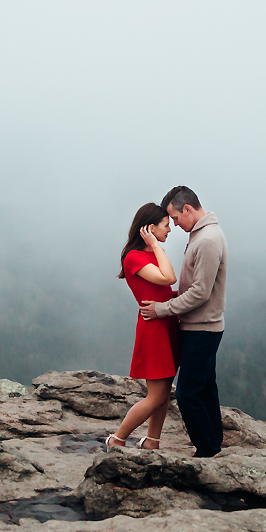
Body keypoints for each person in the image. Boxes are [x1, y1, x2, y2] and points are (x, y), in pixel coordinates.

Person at [139, 186, 227, 458]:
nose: (175, 225)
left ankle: (207, 450)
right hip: (201, 326)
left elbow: (201, 293)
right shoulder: (201, 235)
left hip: (202, 328)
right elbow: (198, 286)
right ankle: (213, 442)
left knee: (188, 395)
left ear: (188, 209)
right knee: (205, 388)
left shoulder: (207, 240)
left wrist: (163, 308)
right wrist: (173, 296)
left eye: (175, 218)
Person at [106, 203, 181, 451]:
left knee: (164, 393)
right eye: (165, 225)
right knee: (156, 396)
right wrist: (156, 246)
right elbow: (168, 278)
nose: (170, 230)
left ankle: (152, 441)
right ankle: (117, 438)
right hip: (154, 329)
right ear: (149, 228)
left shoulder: (147, 256)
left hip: (168, 325)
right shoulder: (134, 257)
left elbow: (166, 289)